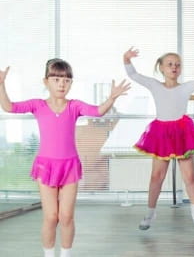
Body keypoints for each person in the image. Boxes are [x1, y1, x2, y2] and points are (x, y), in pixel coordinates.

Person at [0, 59, 130, 257]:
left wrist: (112, 98)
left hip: (69, 166)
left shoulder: (74, 106)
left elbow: (97, 111)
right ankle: (49, 254)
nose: (62, 84)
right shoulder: (37, 105)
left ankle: (66, 255)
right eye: (57, 79)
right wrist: (1, 84)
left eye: (67, 80)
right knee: (51, 217)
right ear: (46, 82)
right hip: (46, 166)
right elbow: (9, 107)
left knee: (66, 216)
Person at [123, 47, 194, 230]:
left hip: (182, 133)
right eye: (170, 64)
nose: (174, 67)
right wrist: (126, 59)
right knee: (156, 176)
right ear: (162, 68)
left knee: (189, 175)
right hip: (161, 134)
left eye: (177, 65)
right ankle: (150, 213)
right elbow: (134, 75)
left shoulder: (186, 87)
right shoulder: (155, 85)